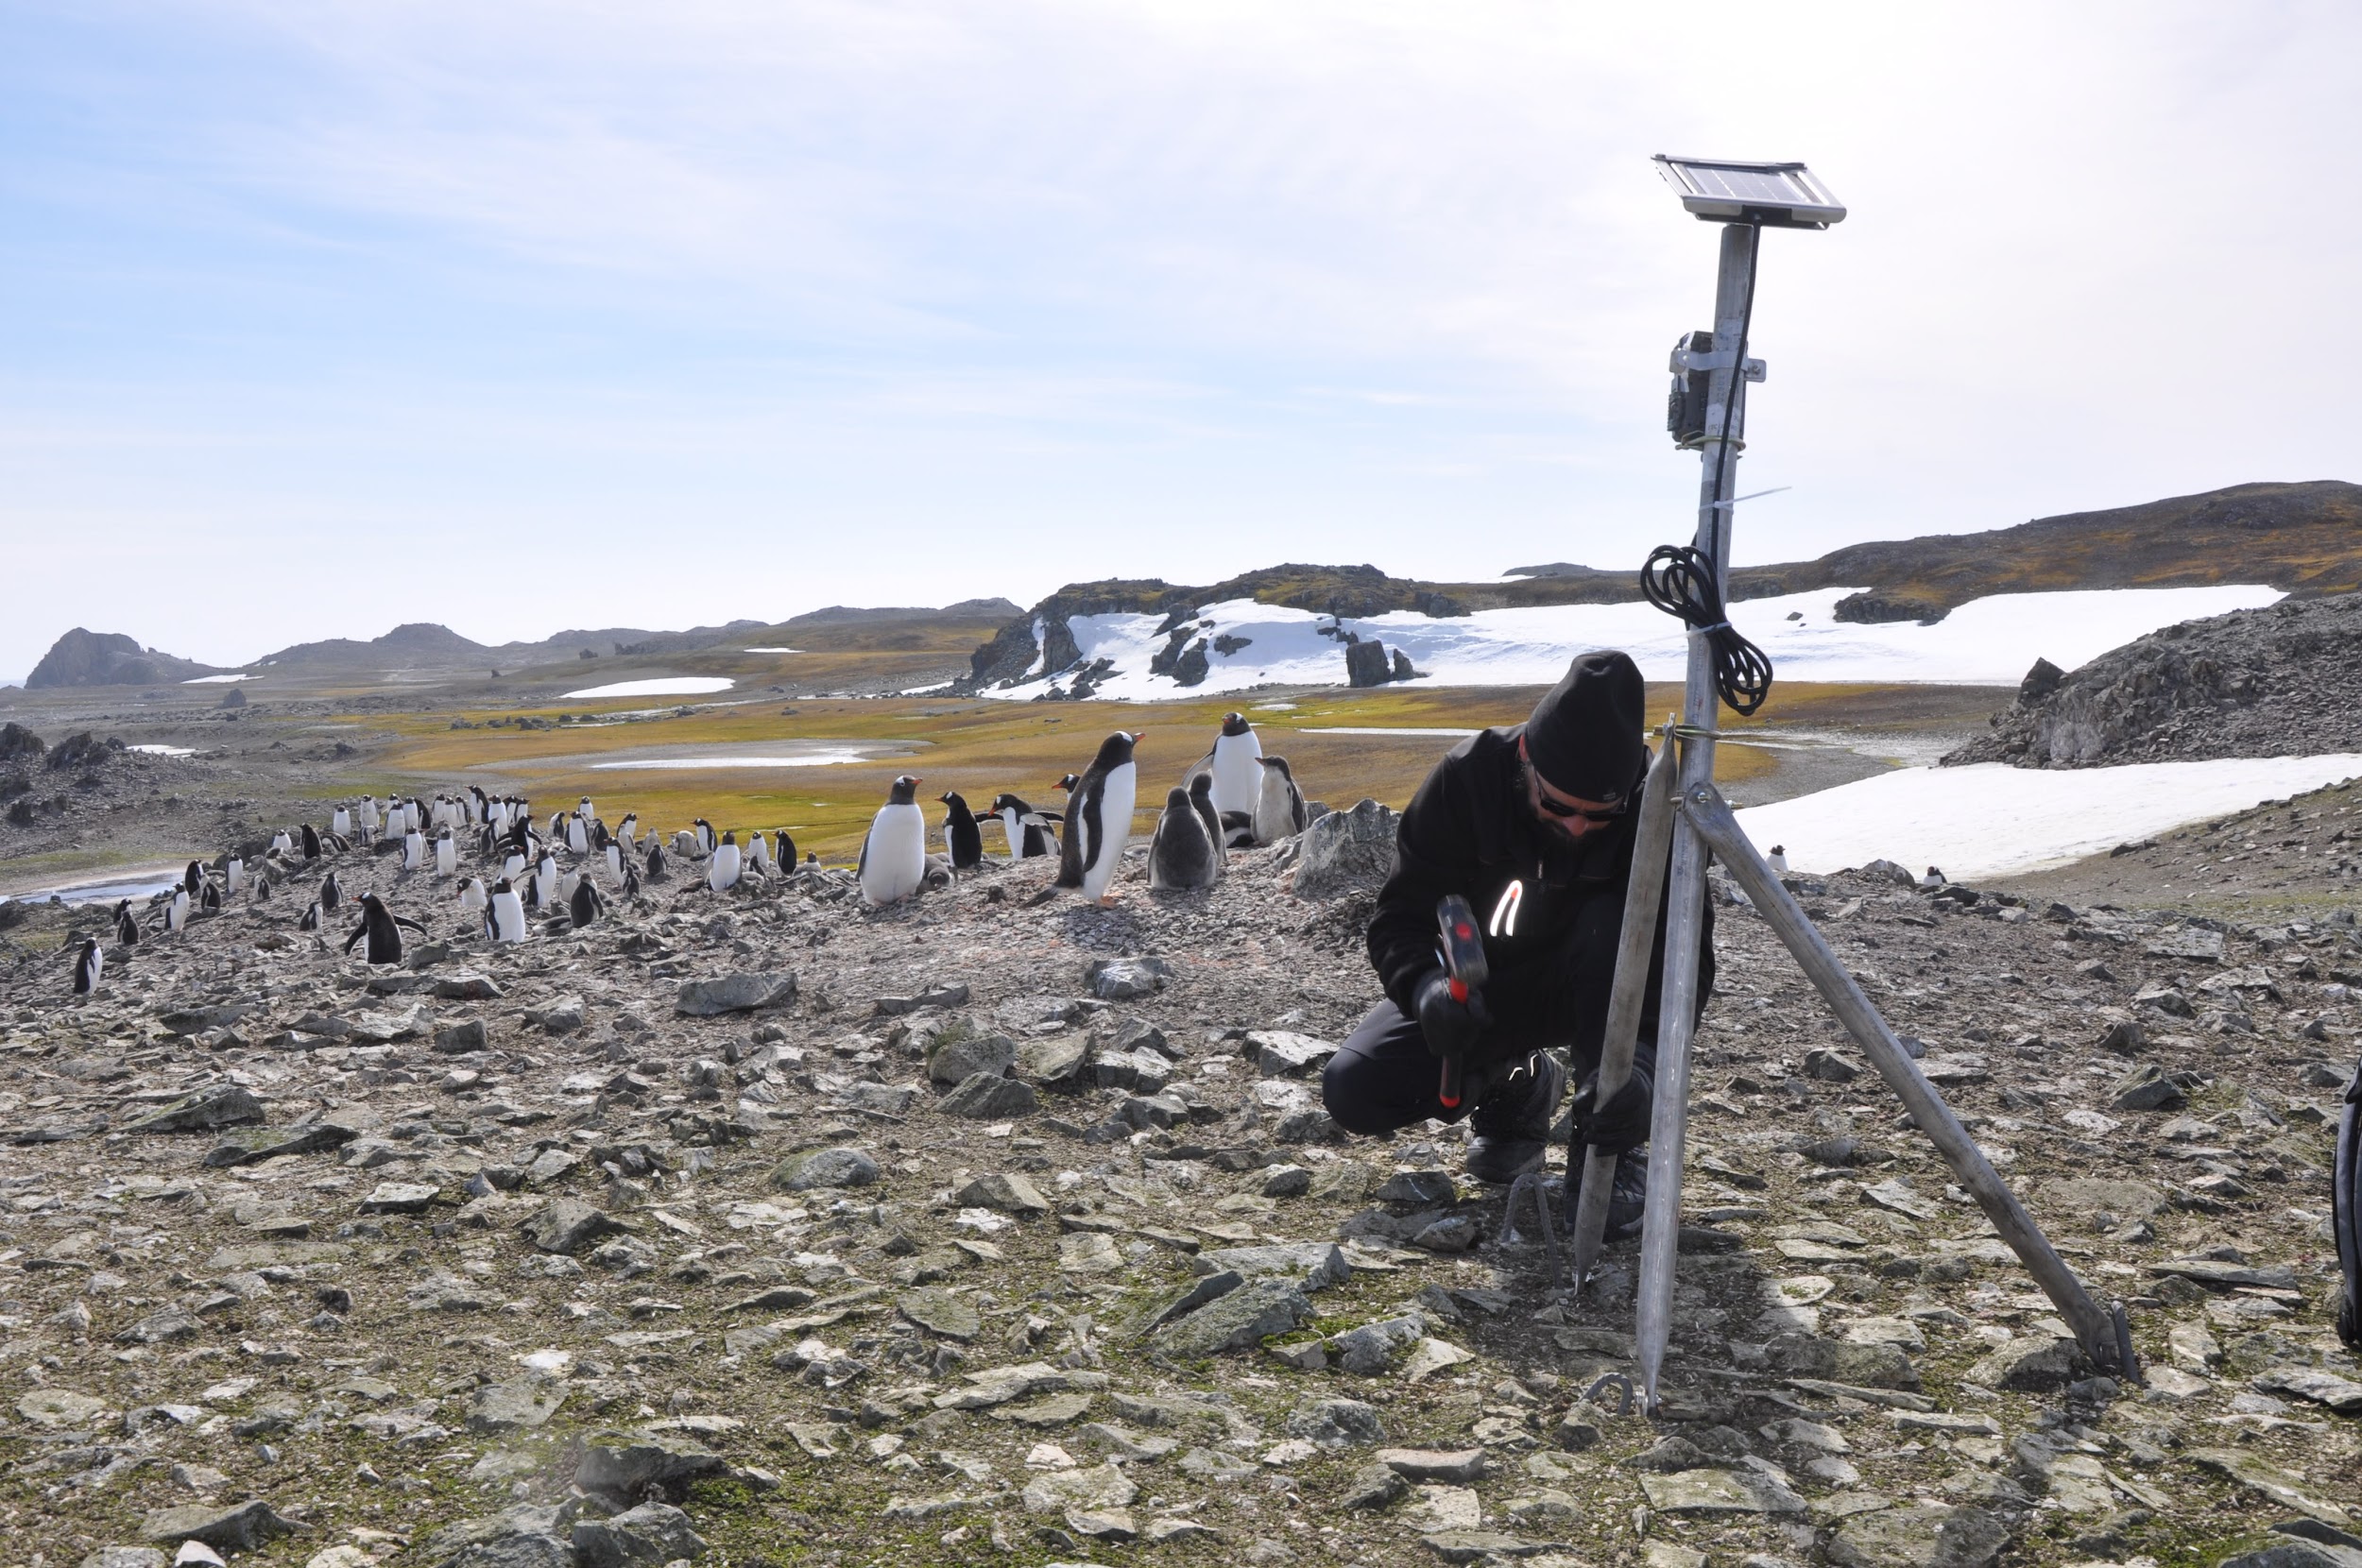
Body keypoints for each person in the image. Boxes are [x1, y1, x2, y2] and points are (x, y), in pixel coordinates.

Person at [1321, 650, 1714, 1225]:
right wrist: (1427, 988)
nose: (1577, 826)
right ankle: (1518, 1086)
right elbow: (1400, 918)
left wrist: (1646, 1069)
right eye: (1558, 806)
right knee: (1357, 1088)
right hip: (1485, 995)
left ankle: (1608, 1147)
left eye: (1599, 813)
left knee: (1614, 924)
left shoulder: (1658, 813)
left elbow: (1687, 960)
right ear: (1526, 758)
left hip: (1606, 1004)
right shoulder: (1466, 781)